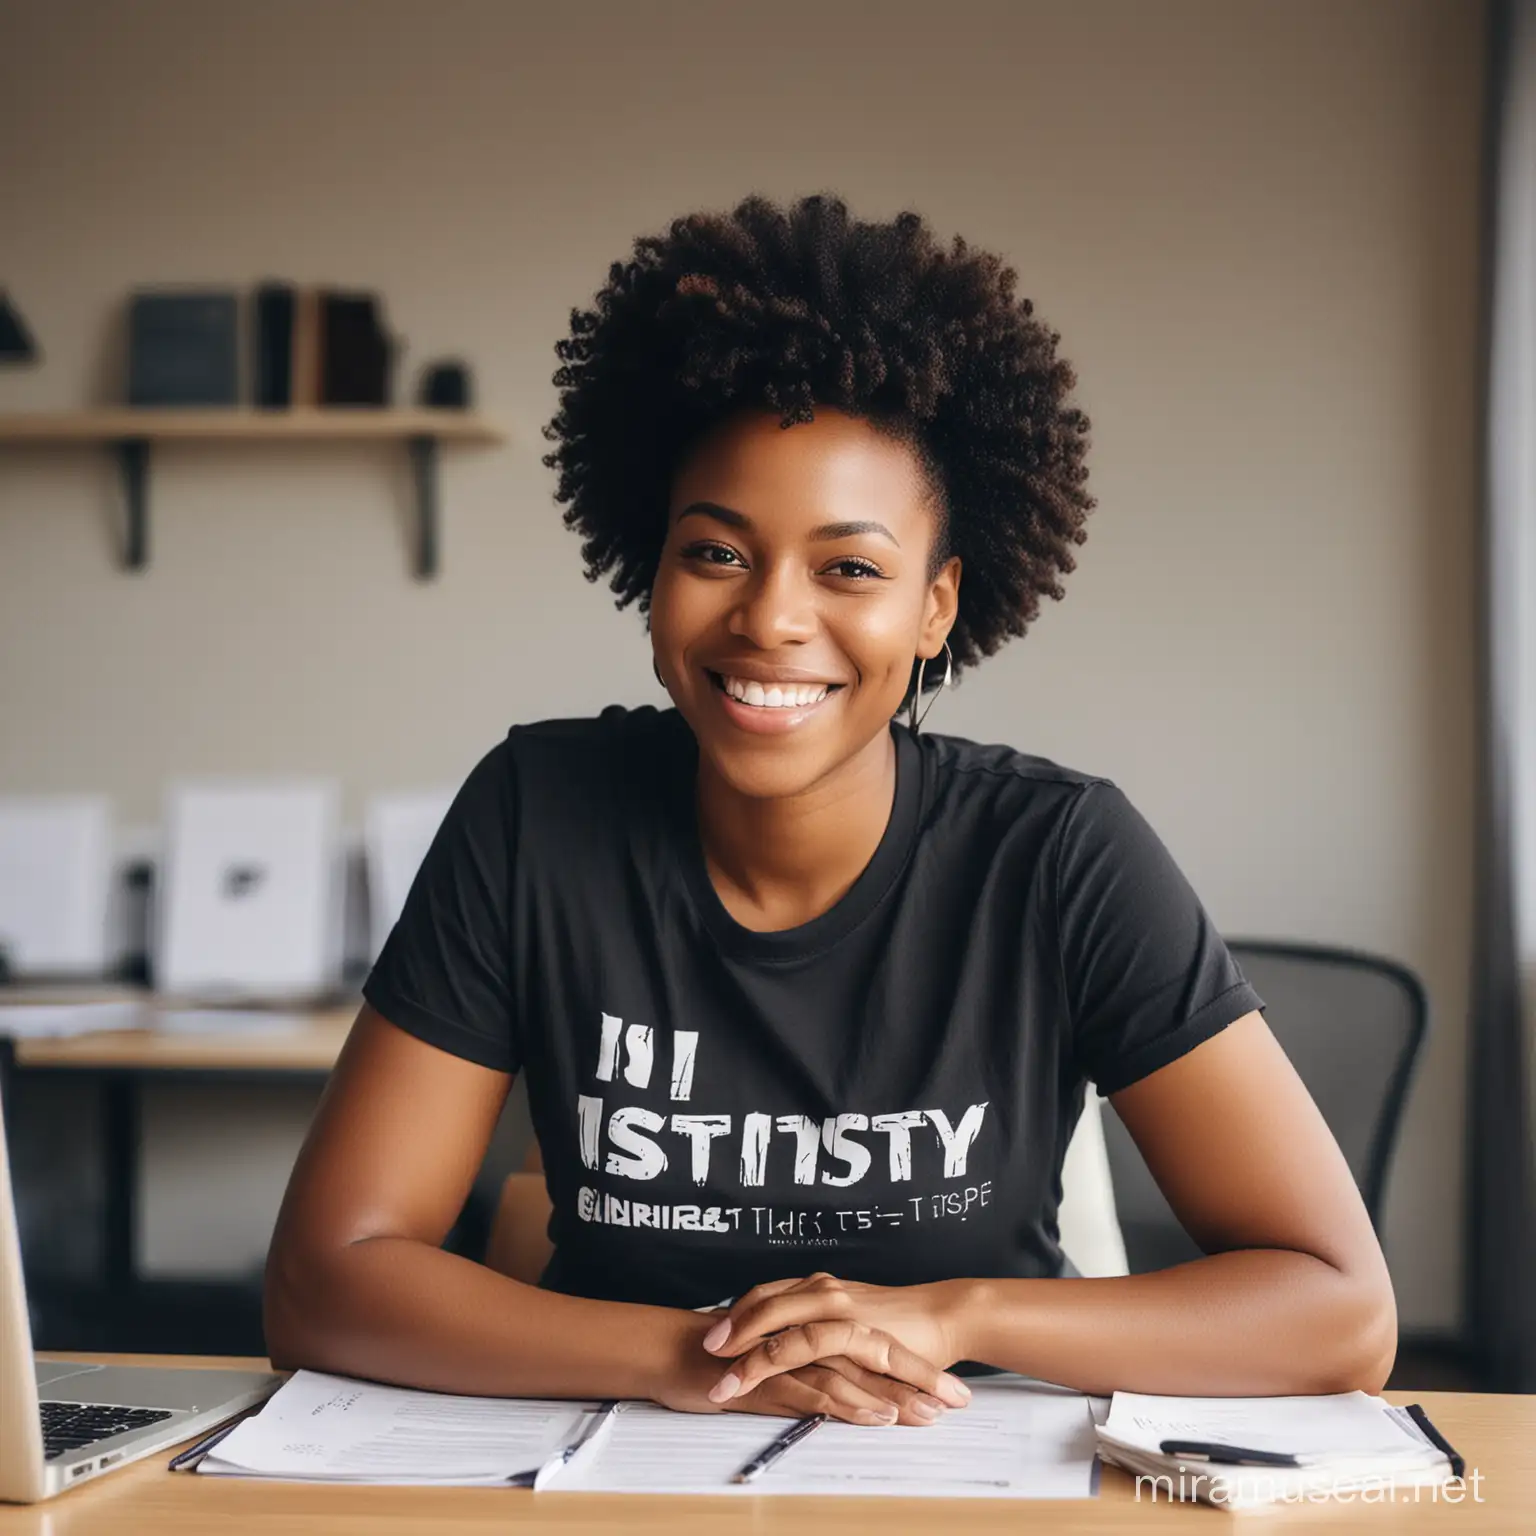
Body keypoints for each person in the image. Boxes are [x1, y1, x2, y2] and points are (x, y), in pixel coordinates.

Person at [264, 193, 1397, 1427]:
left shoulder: (1059, 854)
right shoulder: (538, 816)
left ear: (936, 607)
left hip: (960, 1466)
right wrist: (693, 1359)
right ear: (651, 572)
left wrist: (954, 1315)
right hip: (608, 1465)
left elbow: (1340, 1311)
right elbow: (325, 1281)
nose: (771, 619)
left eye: (849, 567)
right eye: (716, 552)